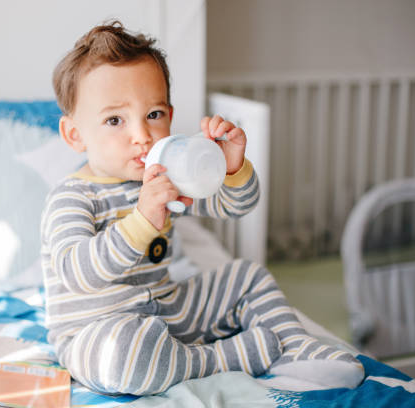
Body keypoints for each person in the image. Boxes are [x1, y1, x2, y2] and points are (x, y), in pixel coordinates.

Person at [41, 21, 364, 396]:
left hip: (167, 308)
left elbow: (236, 205)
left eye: (153, 115)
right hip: (98, 330)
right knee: (121, 357)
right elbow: (78, 272)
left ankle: (295, 347)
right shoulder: (72, 197)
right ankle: (220, 358)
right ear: (74, 135)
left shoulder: (164, 175)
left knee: (248, 278)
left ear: (170, 115)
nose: (142, 136)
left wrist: (229, 168)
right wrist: (142, 220)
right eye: (115, 120)